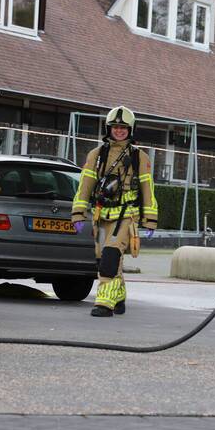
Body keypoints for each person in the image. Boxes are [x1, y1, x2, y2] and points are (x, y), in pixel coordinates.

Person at [72, 106, 158, 317]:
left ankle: (104, 303)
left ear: (131, 130)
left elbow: (148, 189)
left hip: (126, 216)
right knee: (103, 259)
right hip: (101, 214)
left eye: (123, 128)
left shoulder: (140, 157)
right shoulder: (96, 155)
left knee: (110, 256)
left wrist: (150, 220)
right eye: (115, 127)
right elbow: (85, 185)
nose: (119, 131)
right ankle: (118, 296)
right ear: (108, 128)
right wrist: (78, 212)